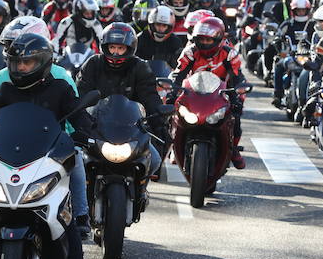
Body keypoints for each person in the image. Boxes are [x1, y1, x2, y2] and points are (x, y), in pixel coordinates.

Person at [0, 32, 91, 259]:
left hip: (48, 163)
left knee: (63, 214)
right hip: (11, 162)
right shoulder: (5, 90)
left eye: (28, 62)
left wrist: (87, 132)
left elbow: (79, 115)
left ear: (43, 62)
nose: (21, 68)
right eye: (17, 63)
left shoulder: (60, 88)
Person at [0, 16, 90, 235]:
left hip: (51, 145)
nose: (19, 58)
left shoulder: (61, 78)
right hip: (13, 144)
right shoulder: (3, 78)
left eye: (27, 56)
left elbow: (75, 113)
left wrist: (80, 136)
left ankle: (81, 214)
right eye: (12, 49)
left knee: (76, 162)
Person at [77, 23, 167, 163]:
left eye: (120, 48)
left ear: (129, 48)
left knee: (154, 161)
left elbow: (149, 96)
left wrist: (159, 118)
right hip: (96, 127)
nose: (115, 52)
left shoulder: (140, 66)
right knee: (76, 160)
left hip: (131, 130)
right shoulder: (93, 63)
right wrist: (82, 122)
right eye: (112, 47)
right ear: (105, 46)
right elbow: (81, 93)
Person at [170, 17, 248, 169]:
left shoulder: (229, 54)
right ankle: (173, 146)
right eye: (201, 39)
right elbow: (178, 74)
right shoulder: (190, 52)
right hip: (194, 92)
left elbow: (237, 78)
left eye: (209, 40)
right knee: (173, 114)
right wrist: (172, 92)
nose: (204, 43)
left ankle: (233, 150)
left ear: (218, 39)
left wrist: (237, 98)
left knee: (235, 119)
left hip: (222, 93)